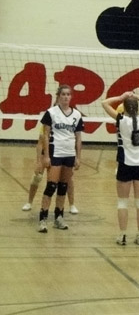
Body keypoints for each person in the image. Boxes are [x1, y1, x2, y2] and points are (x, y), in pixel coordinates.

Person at [101, 91, 139, 245]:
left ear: (124, 108)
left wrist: (120, 97)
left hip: (125, 165)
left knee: (123, 202)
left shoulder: (121, 120)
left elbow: (104, 103)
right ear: (138, 107)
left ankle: (122, 235)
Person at [37, 85, 83, 233]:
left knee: (63, 187)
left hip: (69, 154)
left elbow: (78, 137)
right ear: (58, 96)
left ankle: (59, 217)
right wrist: (46, 156)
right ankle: (43, 219)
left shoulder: (76, 114)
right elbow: (45, 135)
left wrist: (78, 157)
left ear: (71, 97)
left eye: (68, 94)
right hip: (56, 153)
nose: (65, 97)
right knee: (51, 186)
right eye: (63, 94)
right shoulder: (51, 113)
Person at [23, 126, 78, 213]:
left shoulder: (67, 123)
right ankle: (29, 202)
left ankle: (72, 205)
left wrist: (76, 157)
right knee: (37, 177)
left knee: (68, 179)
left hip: (61, 153)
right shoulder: (48, 121)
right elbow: (40, 142)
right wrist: (38, 161)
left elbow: (74, 140)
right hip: (46, 152)